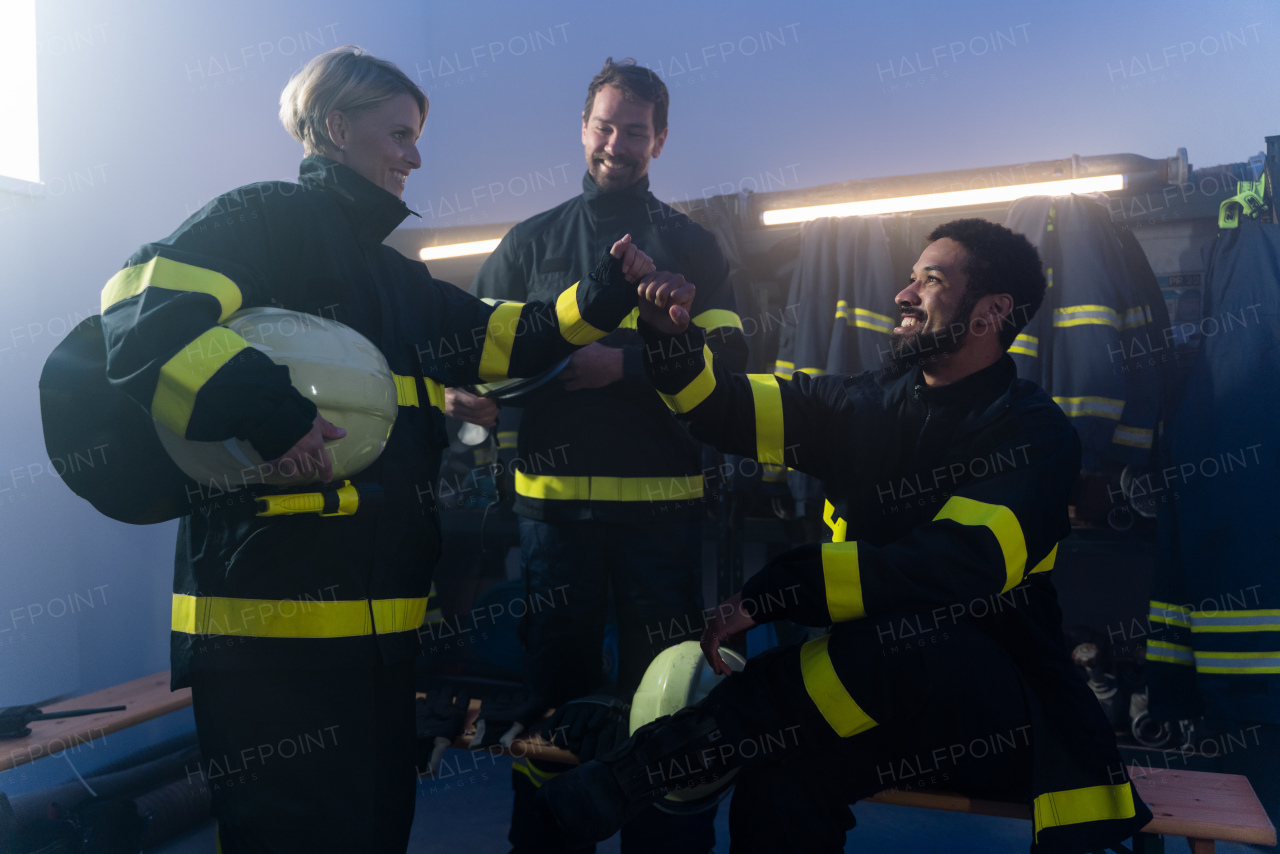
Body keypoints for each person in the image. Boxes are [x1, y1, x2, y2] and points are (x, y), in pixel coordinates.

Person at [98, 46, 653, 853]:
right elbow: (141, 309)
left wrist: (603, 291)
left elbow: (505, 335)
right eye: (399, 133)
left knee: (373, 832)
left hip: (379, 640)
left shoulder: (394, 278)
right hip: (268, 640)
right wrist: (269, 413)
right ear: (334, 127)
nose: (415, 156)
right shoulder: (262, 219)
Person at [539, 219, 1154, 854]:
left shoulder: (1034, 435)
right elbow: (721, 405)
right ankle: (655, 766)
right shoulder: (868, 404)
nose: (904, 294)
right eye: (912, 277)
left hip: (996, 720)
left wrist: (779, 592)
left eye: (932, 280)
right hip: (867, 702)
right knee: (779, 781)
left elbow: (949, 568)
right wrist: (668, 339)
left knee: (907, 640)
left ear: (992, 311)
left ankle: (641, 771)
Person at [453, 57, 746, 853]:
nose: (618, 142)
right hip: (554, 523)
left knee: (668, 701)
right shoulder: (527, 244)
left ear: (661, 140)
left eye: (636, 130)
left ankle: (664, 844)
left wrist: (629, 364)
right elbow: (472, 356)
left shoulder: (694, 245)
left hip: (662, 517)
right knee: (552, 702)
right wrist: (466, 398)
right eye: (605, 126)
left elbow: (733, 357)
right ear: (584, 128)